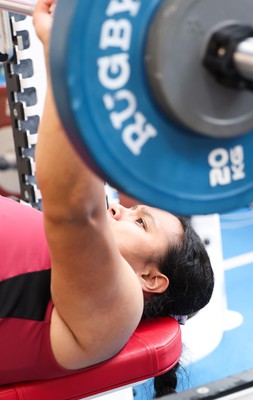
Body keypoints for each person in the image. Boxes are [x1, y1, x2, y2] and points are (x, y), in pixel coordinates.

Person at [0, 0, 214, 397]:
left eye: (140, 222)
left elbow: (73, 208)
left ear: (152, 278)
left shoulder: (119, 310)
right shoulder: (71, 272)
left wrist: (68, 47)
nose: (118, 208)